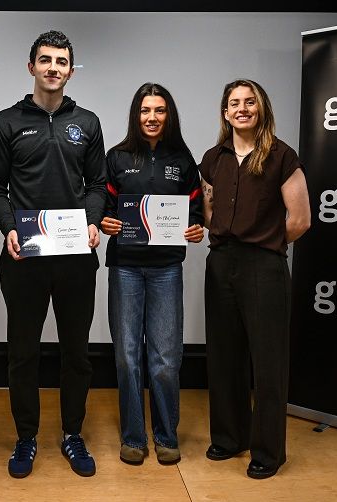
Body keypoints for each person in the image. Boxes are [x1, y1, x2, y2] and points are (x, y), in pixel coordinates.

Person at [0, 30, 107, 479]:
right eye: (45, 60)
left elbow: (98, 185)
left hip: (76, 255)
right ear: (31, 66)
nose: (53, 68)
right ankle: (26, 437)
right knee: (23, 353)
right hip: (26, 256)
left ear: (71, 70)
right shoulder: (6, 121)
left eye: (61, 61)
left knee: (77, 353)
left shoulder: (88, 123)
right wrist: (9, 227)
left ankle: (72, 435)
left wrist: (93, 221)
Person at [199, 79, 310, 479]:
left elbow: (300, 219)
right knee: (224, 357)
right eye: (234, 103)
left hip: (264, 265)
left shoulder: (281, 156)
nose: (242, 108)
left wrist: (265, 243)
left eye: (250, 102)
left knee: (267, 362)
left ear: (261, 108)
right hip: (221, 262)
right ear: (225, 112)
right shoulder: (213, 158)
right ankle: (230, 438)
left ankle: (267, 451)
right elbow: (209, 213)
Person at [99, 83, 204, 466]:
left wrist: (196, 228)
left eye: (159, 111)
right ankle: (133, 437)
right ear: (136, 115)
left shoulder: (183, 159)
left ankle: (165, 435)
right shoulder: (117, 157)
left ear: (168, 115)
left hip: (166, 271)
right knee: (127, 357)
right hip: (125, 268)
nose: (152, 118)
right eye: (146, 111)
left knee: (165, 358)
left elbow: (196, 211)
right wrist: (106, 223)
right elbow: (105, 206)